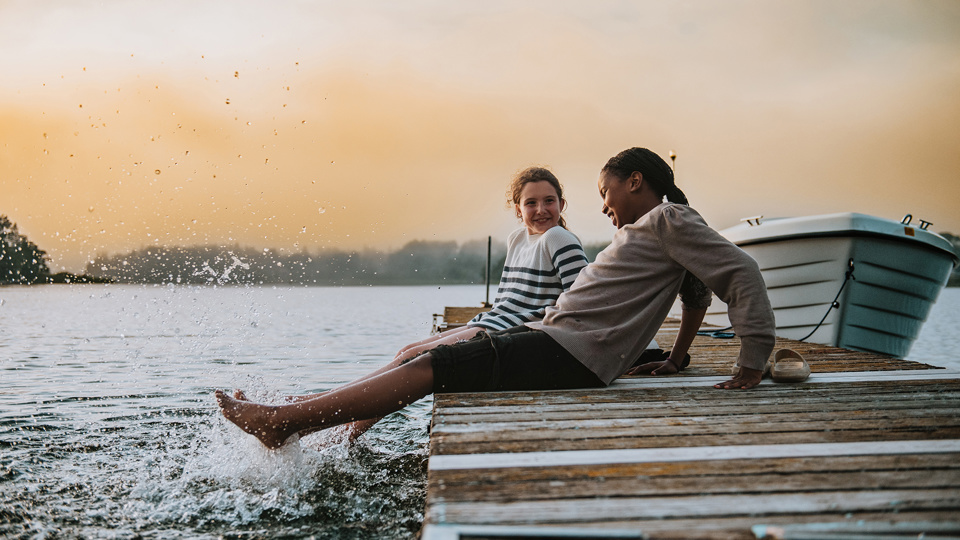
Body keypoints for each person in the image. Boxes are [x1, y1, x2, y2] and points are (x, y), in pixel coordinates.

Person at [216, 147, 776, 450]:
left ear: (635, 181)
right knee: (431, 360)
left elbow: (741, 272)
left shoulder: (668, 218)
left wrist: (752, 361)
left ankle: (286, 422)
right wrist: (675, 359)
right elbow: (696, 290)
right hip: (556, 339)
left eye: (606, 193)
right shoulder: (660, 228)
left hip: (569, 350)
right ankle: (299, 418)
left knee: (435, 365)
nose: (605, 206)